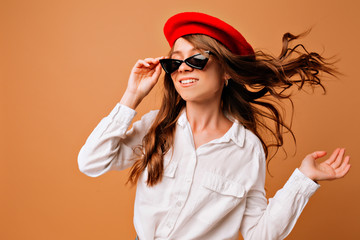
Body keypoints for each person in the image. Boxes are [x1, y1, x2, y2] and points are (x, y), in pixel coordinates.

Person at [78, 12, 351, 240]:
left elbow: (259, 234)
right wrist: (132, 96)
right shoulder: (156, 126)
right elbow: (91, 162)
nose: (183, 68)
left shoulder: (246, 149)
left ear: (227, 72)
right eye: (175, 61)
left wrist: (303, 180)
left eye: (197, 59)